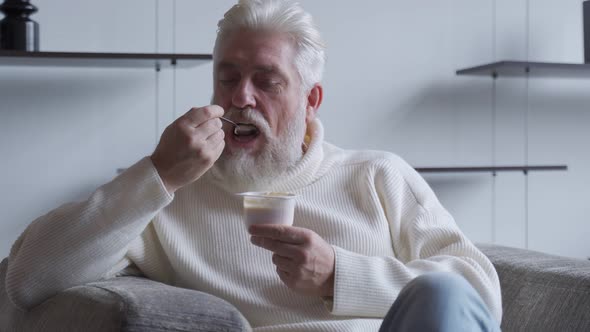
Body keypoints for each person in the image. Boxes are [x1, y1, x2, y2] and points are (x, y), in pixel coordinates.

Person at [5, 0, 502, 331]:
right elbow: (27, 279)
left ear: (312, 100)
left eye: (267, 80)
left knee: (439, 290)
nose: (242, 97)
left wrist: (340, 276)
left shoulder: (378, 176)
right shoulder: (167, 197)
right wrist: (158, 173)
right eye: (229, 78)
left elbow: (477, 298)